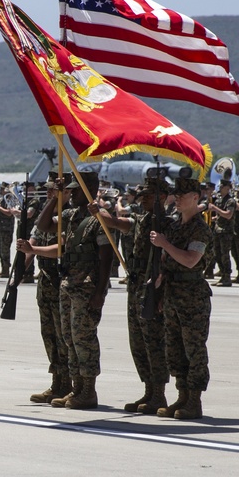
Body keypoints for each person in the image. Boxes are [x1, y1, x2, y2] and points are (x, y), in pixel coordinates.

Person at [18, 171, 112, 409]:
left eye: (75, 190)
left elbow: (106, 258)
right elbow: (44, 225)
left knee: (84, 339)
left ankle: (88, 390)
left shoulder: (99, 217)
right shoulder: (71, 215)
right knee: (69, 339)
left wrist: (100, 292)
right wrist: (55, 197)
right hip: (68, 284)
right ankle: (76, 388)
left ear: (89, 190)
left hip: (87, 286)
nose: (71, 194)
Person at [95, 177, 171, 414]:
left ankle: (159, 394)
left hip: (153, 288)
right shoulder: (142, 219)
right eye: (142, 195)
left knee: (154, 341)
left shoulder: (167, 223)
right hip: (136, 286)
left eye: (148, 195)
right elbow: (118, 223)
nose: (143, 199)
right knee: (138, 341)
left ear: (162, 197)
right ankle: (149, 390)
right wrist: (98, 210)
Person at [150, 176, 213, 420]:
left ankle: (194, 401)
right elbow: (170, 261)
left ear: (196, 197)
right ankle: (182, 396)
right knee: (174, 349)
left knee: (194, 349)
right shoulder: (175, 226)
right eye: (176, 194)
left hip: (193, 297)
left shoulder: (200, 229)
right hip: (173, 294)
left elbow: (190, 260)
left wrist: (165, 244)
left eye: (183, 195)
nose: (177, 198)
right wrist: (160, 276)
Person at [25, 172, 70, 404]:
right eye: (49, 190)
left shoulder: (68, 215)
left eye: (55, 190)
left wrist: (32, 251)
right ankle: (57, 383)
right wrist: (19, 271)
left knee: (64, 337)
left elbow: (60, 246)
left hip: (61, 280)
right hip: (45, 281)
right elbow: (34, 239)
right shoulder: (45, 214)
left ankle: (69, 384)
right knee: (49, 335)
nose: (50, 193)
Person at [207, 179, 236, 286]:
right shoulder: (220, 200)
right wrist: (215, 218)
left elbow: (228, 215)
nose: (219, 188)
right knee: (217, 254)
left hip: (226, 232)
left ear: (227, 188)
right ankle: (223, 275)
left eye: (222, 186)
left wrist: (215, 208)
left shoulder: (230, 201)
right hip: (218, 230)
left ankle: (227, 277)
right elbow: (220, 215)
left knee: (225, 255)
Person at [0, 182, 15, 279]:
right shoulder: (1, 199)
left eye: (2, 189)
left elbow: (9, 213)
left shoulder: (9, 199)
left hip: (6, 228)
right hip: (0, 227)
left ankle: (6, 270)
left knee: (5, 250)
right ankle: (3, 269)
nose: (0, 190)